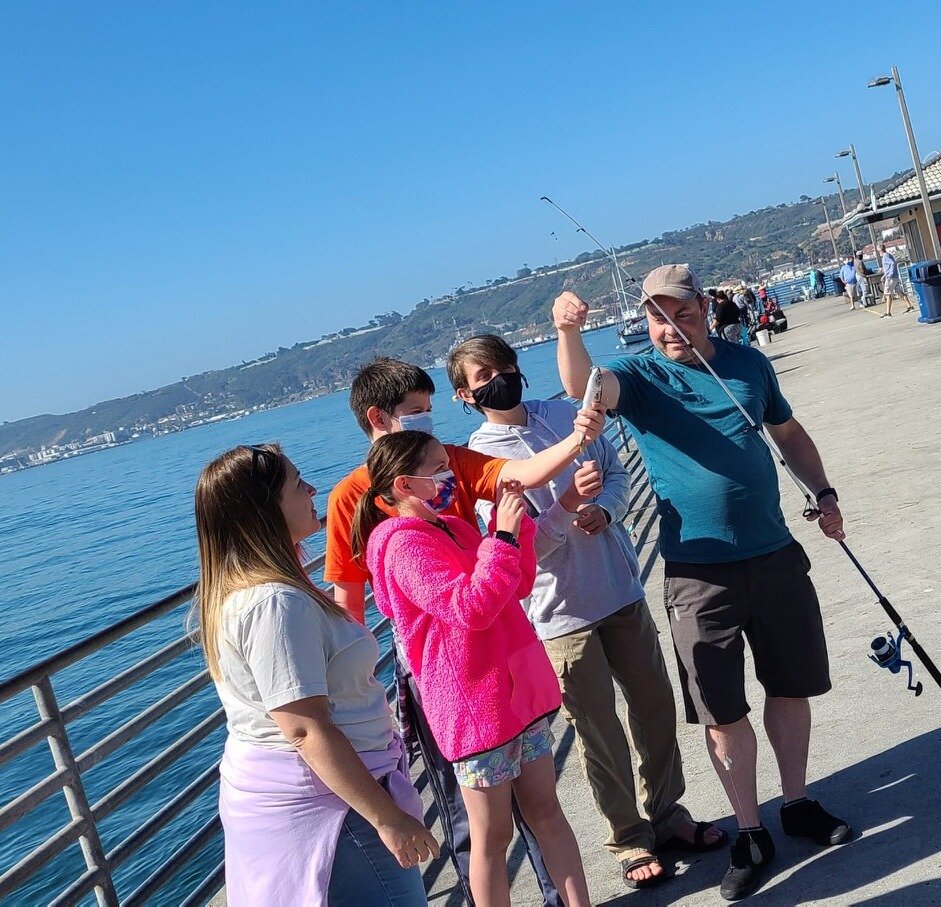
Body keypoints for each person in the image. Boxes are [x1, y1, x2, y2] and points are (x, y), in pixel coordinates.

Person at [552, 264, 853, 902]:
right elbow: (584, 387)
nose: (670, 329)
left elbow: (789, 433)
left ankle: (796, 801)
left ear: (704, 310)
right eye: (657, 318)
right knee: (721, 711)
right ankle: (749, 829)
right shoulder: (637, 375)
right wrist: (567, 331)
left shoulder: (748, 364)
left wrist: (822, 492)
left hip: (774, 554)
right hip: (695, 571)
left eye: (681, 315)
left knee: (790, 686)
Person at [322, 356, 604, 907]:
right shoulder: (395, 538)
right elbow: (463, 606)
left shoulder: (449, 520)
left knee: (544, 812)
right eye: (439, 467)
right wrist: (501, 534)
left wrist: (515, 529)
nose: (452, 471)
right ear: (405, 479)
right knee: (487, 833)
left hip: (511, 686)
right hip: (468, 697)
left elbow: (510, 580)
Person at [451, 335, 728, 890]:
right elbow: (515, 550)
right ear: (464, 394)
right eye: (484, 375)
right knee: (598, 731)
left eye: (504, 365)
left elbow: (618, 473)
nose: (499, 377)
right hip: (559, 615)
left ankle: (668, 813)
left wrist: (606, 509)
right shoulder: (479, 461)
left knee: (655, 705)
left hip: (620, 589)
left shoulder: (567, 415)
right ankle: (628, 836)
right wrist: (566, 509)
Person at [195, 443, 439, 905]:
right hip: (333, 806)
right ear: (263, 511)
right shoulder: (275, 603)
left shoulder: (247, 592)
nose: (311, 489)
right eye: (296, 484)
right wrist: (387, 817)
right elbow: (305, 728)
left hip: (323, 796)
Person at [877, 244, 911, 317]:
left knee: (887, 294)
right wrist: (884, 275)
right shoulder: (889, 254)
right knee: (900, 292)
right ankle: (909, 306)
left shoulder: (885, 256)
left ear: (879, 250)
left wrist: (889, 274)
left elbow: (892, 263)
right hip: (895, 277)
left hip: (891, 278)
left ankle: (888, 312)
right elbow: (889, 266)